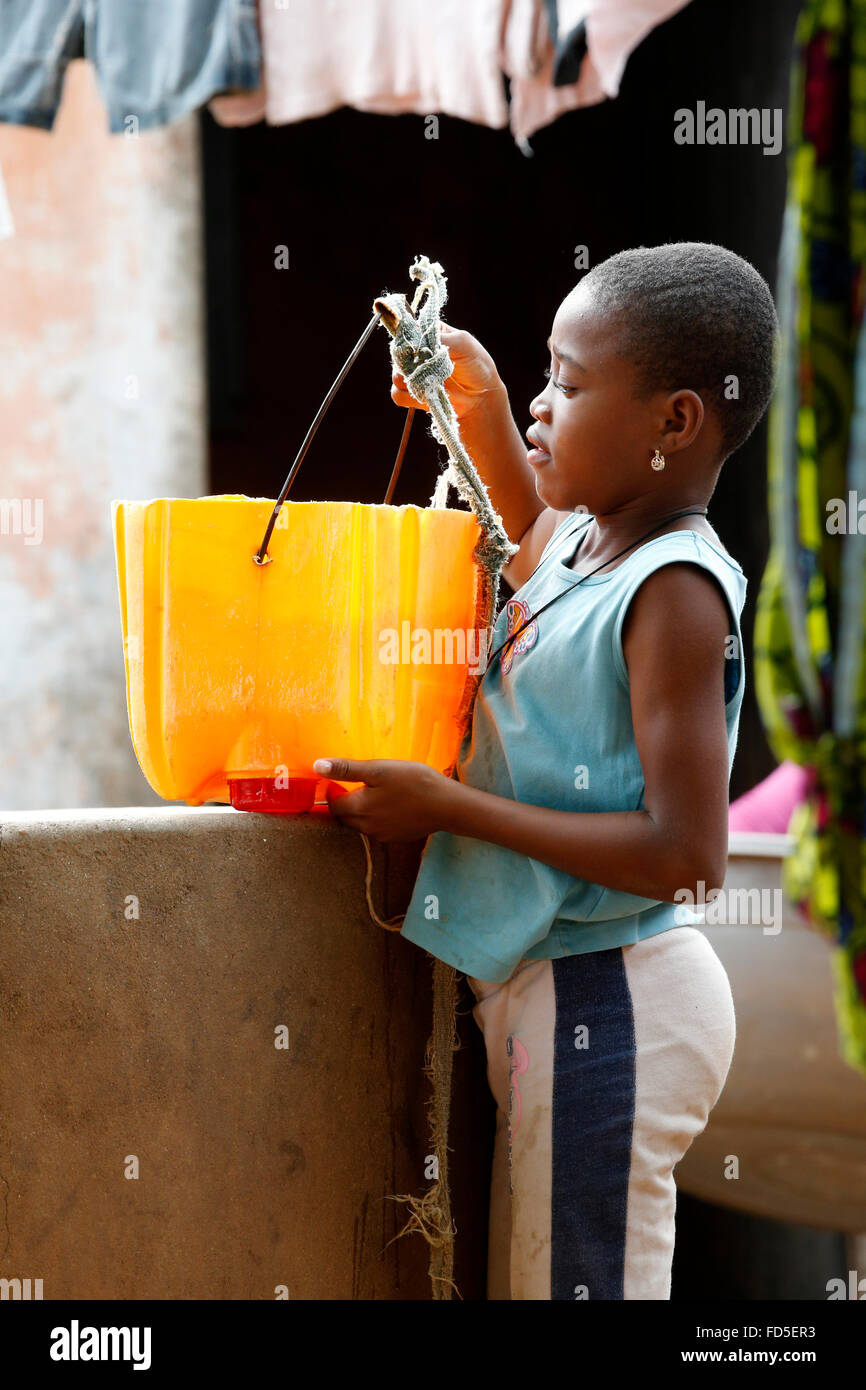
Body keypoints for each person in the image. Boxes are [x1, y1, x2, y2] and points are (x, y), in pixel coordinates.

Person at [313, 242, 779, 1300]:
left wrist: (450, 809)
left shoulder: (672, 593)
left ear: (673, 423)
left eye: (567, 385)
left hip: (616, 998)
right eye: (540, 374)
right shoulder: (584, 544)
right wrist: (465, 396)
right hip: (554, 991)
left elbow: (686, 854)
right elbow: (526, 535)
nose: (538, 403)